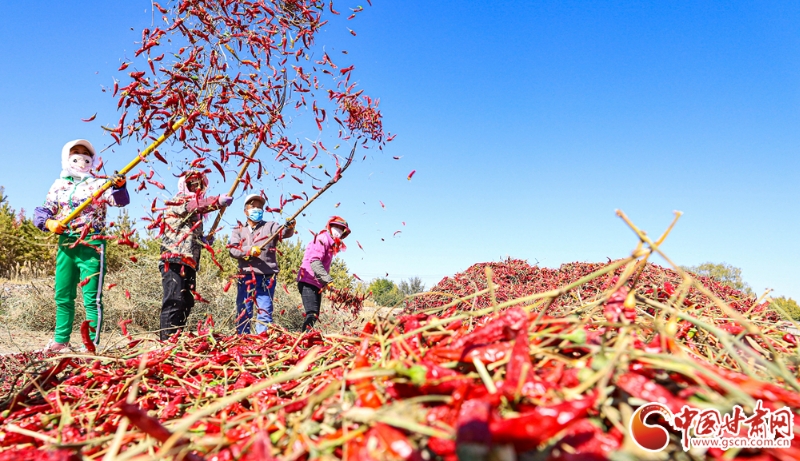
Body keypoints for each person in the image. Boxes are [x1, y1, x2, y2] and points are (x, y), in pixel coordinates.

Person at [33, 139, 129, 353]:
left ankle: (91, 343)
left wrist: (119, 186)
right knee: (63, 293)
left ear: (92, 160)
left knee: (91, 297)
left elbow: (119, 201)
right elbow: (44, 211)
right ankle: (61, 340)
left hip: (92, 243)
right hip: (66, 243)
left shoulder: (98, 183)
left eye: (86, 154)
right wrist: (49, 223)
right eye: (75, 152)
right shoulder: (59, 185)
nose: (81, 156)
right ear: (67, 156)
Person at [159, 170, 232, 340]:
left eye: (200, 183)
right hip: (174, 259)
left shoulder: (198, 215)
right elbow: (193, 206)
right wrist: (217, 201)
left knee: (186, 301)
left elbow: (190, 233)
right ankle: (166, 340)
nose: (196, 186)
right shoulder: (178, 200)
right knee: (174, 299)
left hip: (189, 262)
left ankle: (176, 336)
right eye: (192, 183)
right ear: (184, 184)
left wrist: (203, 240)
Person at [228, 194, 296, 334]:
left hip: (266, 277)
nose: (257, 210)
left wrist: (289, 227)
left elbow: (283, 232)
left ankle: (262, 343)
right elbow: (233, 250)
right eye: (253, 207)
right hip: (246, 276)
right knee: (243, 311)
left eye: (260, 207)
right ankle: (242, 341)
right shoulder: (238, 230)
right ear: (245, 211)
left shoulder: (270, 226)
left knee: (265, 312)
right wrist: (249, 251)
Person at [297, 216, 351, 331]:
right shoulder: (323, 239)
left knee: (314, 315)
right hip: (308, 280)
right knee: (312, 314)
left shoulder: (330, 244)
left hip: (315, 283)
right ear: (330, 227)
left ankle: (305, 340)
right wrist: (328, 280)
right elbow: (315, 262)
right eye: (336, 227)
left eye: (341, 229)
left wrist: (326, 284)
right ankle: (303, 341)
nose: (338, 231)